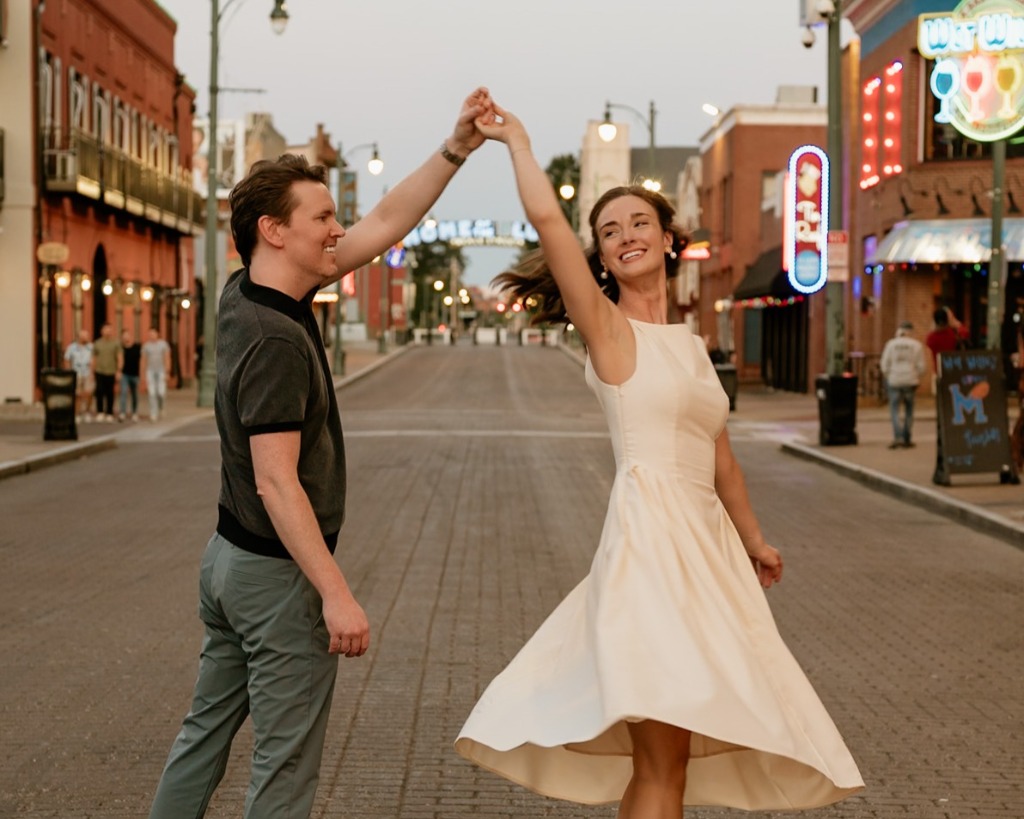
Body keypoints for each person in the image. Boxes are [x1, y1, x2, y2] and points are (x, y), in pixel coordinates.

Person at [455, 102, 864, 818]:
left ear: (670, 239)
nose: (623, 236)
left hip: (704, 555)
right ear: (602, 257)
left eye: (638, 222)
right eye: (609, 232)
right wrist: (519, 140)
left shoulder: (692, 342)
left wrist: (755, 539)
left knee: (668, 759)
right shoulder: (608, 329)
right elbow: (553, 225)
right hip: (647, 554)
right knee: (658, 759)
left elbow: (721, 457)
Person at [148, 87, 491, 819]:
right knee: (285, 763)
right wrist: (335, 591)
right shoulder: (274, 338)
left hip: (230, 562)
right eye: (323, 217)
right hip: (273, 577)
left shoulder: (252, 293)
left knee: (203, 737)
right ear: (274, 230)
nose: (340, 229)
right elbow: (277, 481)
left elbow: (387, 219)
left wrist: (456, 147)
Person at [880, 320, 927, 449]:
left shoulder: (890, 344)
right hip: (910, 380)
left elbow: (884, 364)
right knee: (909, 410)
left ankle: (898, 437)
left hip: (894, 380)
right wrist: (917, 376)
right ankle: (907, 438)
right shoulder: (916, 345)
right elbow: (922, 366)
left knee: (894, 410)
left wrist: (888, 376)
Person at [91, 323, 122, 422]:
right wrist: (92, 371)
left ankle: (109, 412)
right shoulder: (97, 343)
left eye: (109, 329)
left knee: (110, 393)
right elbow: (94, 358)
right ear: (102, 331)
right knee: (99, 391)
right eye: (105, 329)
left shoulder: (115, 343)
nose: (107, 331)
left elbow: (120, 357)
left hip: (111, 371)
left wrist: (119, 370)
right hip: (99, 370)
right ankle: (100, 412)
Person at [63, 328, 94, 421]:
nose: (86, 337)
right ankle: (77, 413)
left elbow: (94, 360)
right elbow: (67, 359)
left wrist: (92, 372)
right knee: (77, 394)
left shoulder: (91, 347)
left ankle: (87, 411)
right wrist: (69, 371)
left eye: (87, 335)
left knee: (89, 393)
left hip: (87, 372)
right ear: (79, 337)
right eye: (84, 335)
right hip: (76, 373)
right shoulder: (71, 347)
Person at [141, 328, 171, 421]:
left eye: (153, 333)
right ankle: (153, 412)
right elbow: (143, 360)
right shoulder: (146, 346)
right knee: (152, 393)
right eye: (150, 334)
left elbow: (167, 358)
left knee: (161, 393)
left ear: (157, 334)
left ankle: (161, 407)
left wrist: (167, 372)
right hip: (150, 371)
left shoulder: (163, 344)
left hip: (161, 370)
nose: (152, 335)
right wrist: (143, 373)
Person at [119, 329, 142, 421]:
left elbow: (142, 361)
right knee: (123, 392)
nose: (126, 337)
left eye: (127, 335)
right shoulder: (120, 348)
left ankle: (135, 412)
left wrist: (141, 374)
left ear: (130, 336)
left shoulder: (137, 347)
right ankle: (122, 413)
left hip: (135, 374)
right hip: (124, 374)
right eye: (124, 336)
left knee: (135, 394)